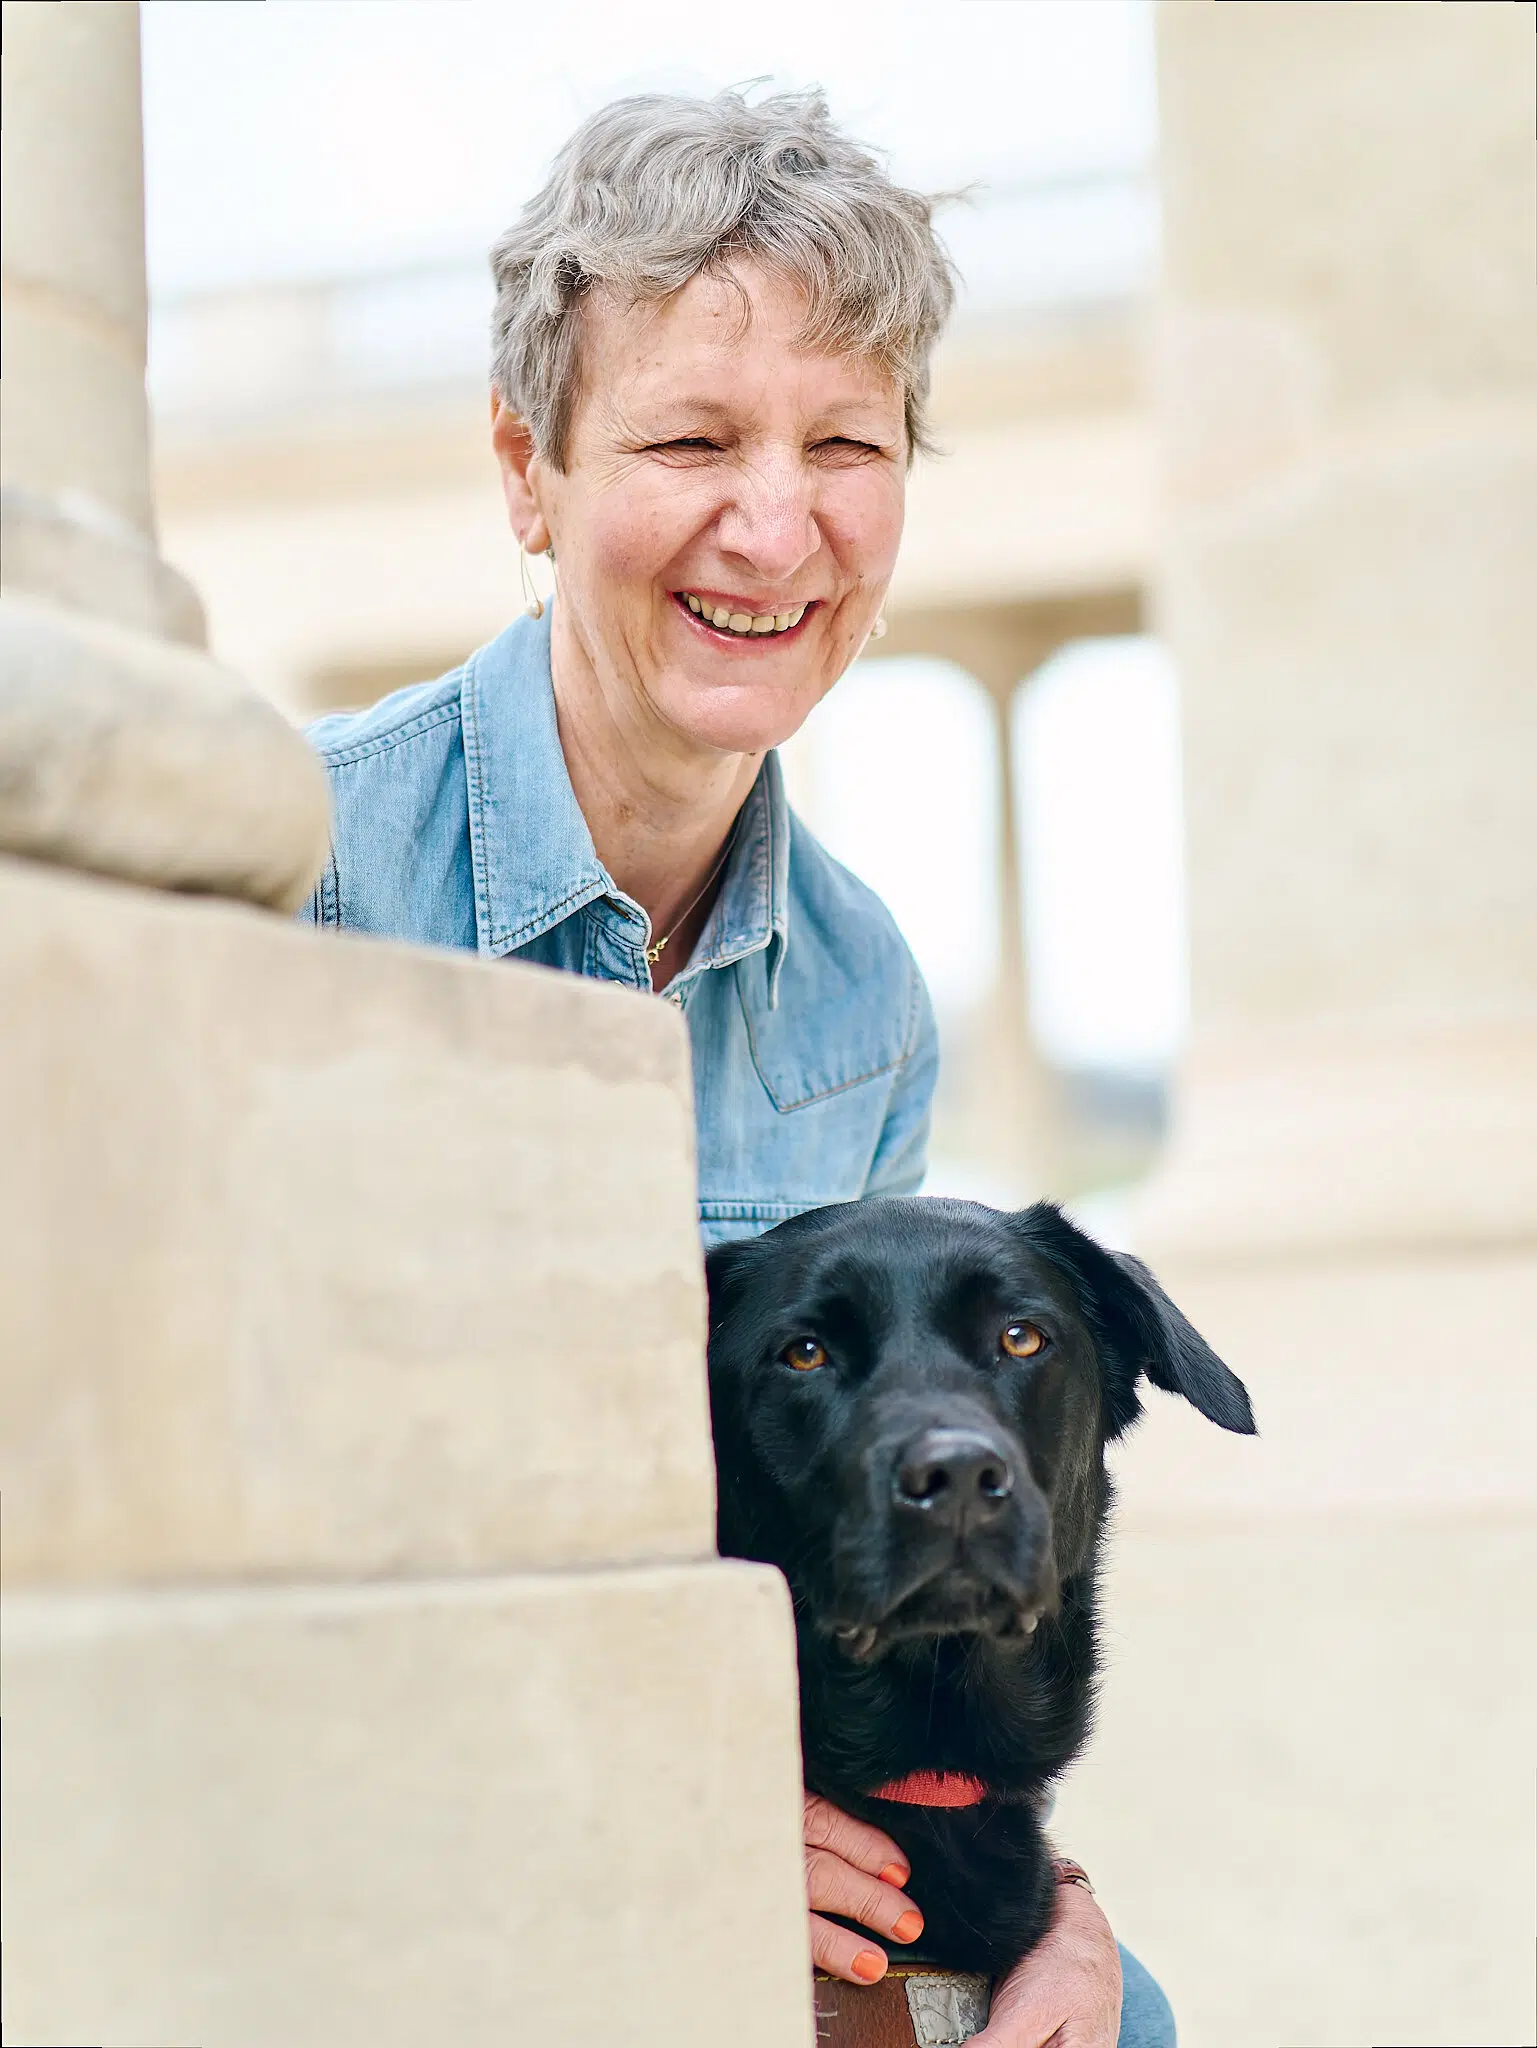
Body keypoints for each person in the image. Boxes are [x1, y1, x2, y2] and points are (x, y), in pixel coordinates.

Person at [300, 87, 1175, 2048]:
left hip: (748, 1795)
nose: (774, 525)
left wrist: (1029, 1890)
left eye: (843, 446)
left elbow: (837, 1543)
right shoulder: (308, 876)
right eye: (692, 438)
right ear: (528, 468)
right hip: (379, 1789)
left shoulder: (865, 993)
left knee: (1109, 2024)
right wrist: (641, 1796)